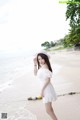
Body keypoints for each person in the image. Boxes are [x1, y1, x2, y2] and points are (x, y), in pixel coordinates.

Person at [33, 52, 58, 120]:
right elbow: (35, 74)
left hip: (46, 89)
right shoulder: (42, 66)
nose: (41, 61)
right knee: (50, 109)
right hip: (46, 89)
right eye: (39, 59)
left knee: (48, 110)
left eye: (42, 59)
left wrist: (42, 90)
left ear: (46, 59)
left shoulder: (45, 67)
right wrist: (35, 64)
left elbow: (48, 80)